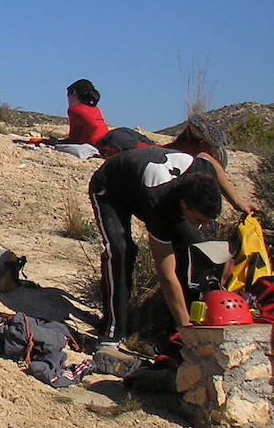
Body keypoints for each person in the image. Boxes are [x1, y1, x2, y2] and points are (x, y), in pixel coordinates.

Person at [88, 146, 256, 347]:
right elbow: (166, 274)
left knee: (200, 253)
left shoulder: (202, 171)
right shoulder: (160, 206)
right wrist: (187, 331)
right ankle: (113, 331)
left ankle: (181, 323)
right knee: (120, 251)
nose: (203, 225)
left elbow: (206, 157)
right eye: (198, 219)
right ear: (184, 205)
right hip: (111, 188)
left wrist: (237, 202)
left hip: (145, 183)